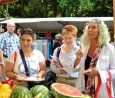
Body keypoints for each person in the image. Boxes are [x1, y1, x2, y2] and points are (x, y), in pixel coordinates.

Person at [74, 19, 115, 98]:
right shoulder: (84, 47)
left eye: (93, 27)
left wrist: (98, 73)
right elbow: (75, 69)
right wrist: (77, 59)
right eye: (88, 27)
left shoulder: (109, 48)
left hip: (101, 91)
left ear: (100, 30)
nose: (90, 30)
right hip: (83, 89)